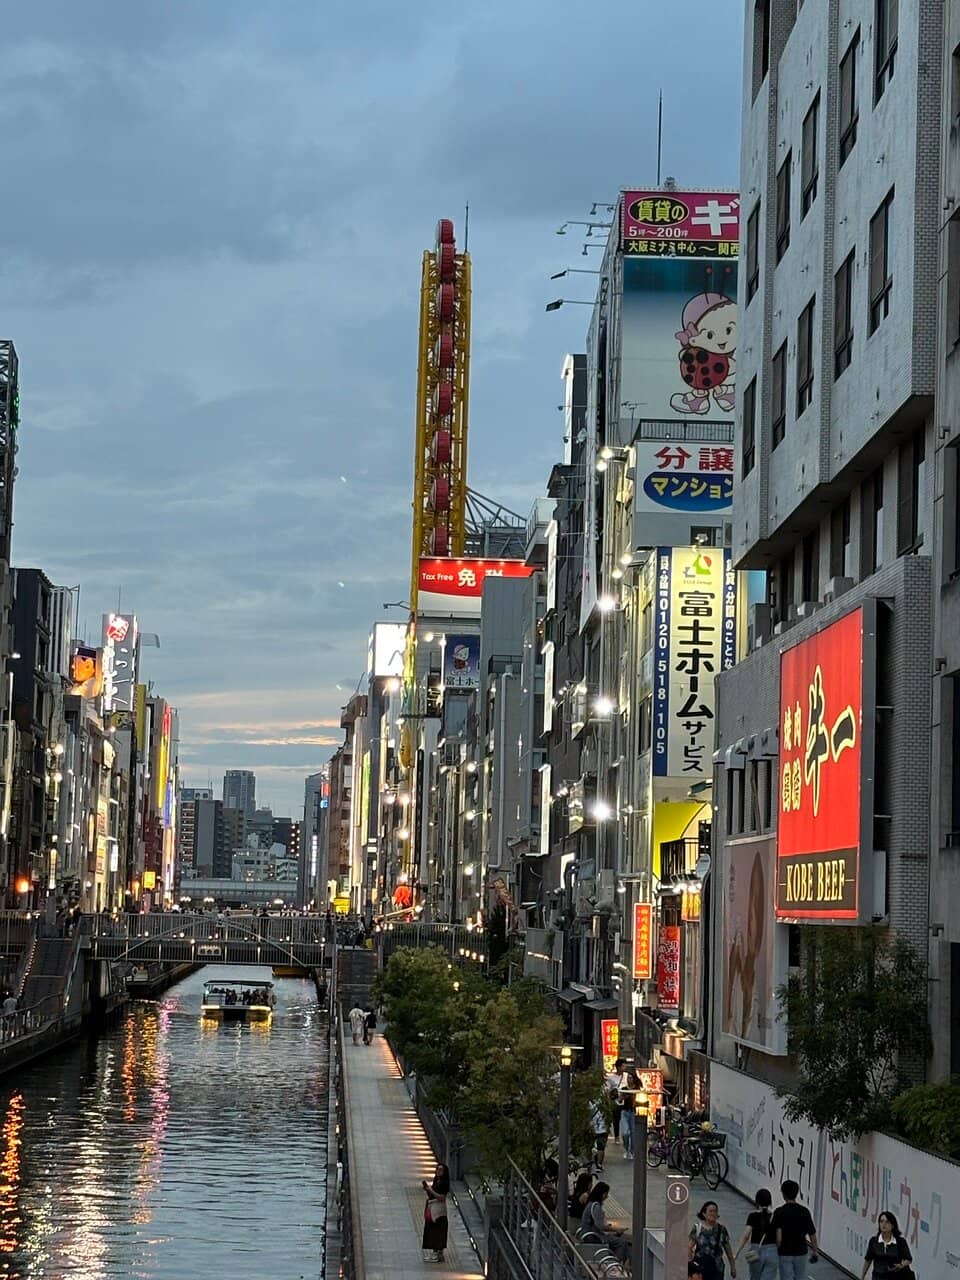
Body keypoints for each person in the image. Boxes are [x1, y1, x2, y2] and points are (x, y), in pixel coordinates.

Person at [771, 1181, 818, 1280]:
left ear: (783, 1194)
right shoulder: (805, 1211)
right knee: (800, 1276)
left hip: (784, 1252)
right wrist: (815, 1251)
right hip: (801, 1251)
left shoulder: (779, 1212)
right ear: (796, 1193)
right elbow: (812, 1233)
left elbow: (778, 1238)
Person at [734, 1189, 777, 1280]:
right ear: (770, 1201)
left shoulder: (753, 1216)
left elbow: (746, 1236)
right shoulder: (775, 1217)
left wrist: (736, 1253)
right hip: (772, 1251)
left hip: (756, 1250)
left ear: (757, 1201)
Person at [581, 1182, 630, 1263]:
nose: (607, 1196)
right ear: (603, 1194)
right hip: (593, 1236)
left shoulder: (590, 1203)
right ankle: (615, 1263)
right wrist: (616, 1229)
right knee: (622, 1243)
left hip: (589, 1233)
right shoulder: (596, 1206)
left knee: (615, 1238)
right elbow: (601, 1226)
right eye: (606, 1194)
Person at [689, 1200, 737, 1280]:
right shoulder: (697, 1228)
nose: (713, 1213)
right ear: (704, 1213)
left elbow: (728, 1250)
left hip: (717, 1268)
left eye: (715, 1211)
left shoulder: (722, 1229)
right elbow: (689, 1246)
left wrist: (733, 1267)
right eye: (710, 1211)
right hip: (700, 1268)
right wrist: (690, 1264)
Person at [861, 1212, 913, 1279]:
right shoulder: (874, 1241)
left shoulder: (900, 1242)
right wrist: (862, 1276)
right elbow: (868, 1260)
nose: (884, 1224)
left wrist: (901, 1265)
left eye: (887, 1222)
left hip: (895, 1276)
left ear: (892, 1225)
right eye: (881, 1221)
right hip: (878, 1277)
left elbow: (909, 1259)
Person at [421, 1162, 450, 1263]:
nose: (438, 1171)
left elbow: (442, 1197)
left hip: (439, 1210)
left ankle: (437, 1253)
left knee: (438, 1231)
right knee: (433, 1230)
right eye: (437, 1169)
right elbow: (432, 1195)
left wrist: (431, 1190)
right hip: (433, 1207)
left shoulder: (444, 1183)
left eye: (440, 1170)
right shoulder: (436, 1181)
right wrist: (428, 1190)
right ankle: (437, 1252)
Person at [605, 1058, 625, 1146]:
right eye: (623, 1066)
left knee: (624, 1119)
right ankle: (617, 1136)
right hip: (616, 1102)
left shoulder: (627, 1076)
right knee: (616, 1119)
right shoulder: (611, 1078)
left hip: (625, 1101)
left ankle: (625, 1136)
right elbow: (608, 1090)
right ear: (618, 1067)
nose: (625, 1067)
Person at [589, 1099, 609, 1170]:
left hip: (591, 1127)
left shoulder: (588, 1101)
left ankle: (589, 1163)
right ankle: (599, 1165)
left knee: (589, 1146)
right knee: (601, 1148)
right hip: (602, 1128)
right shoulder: (604, 1100)